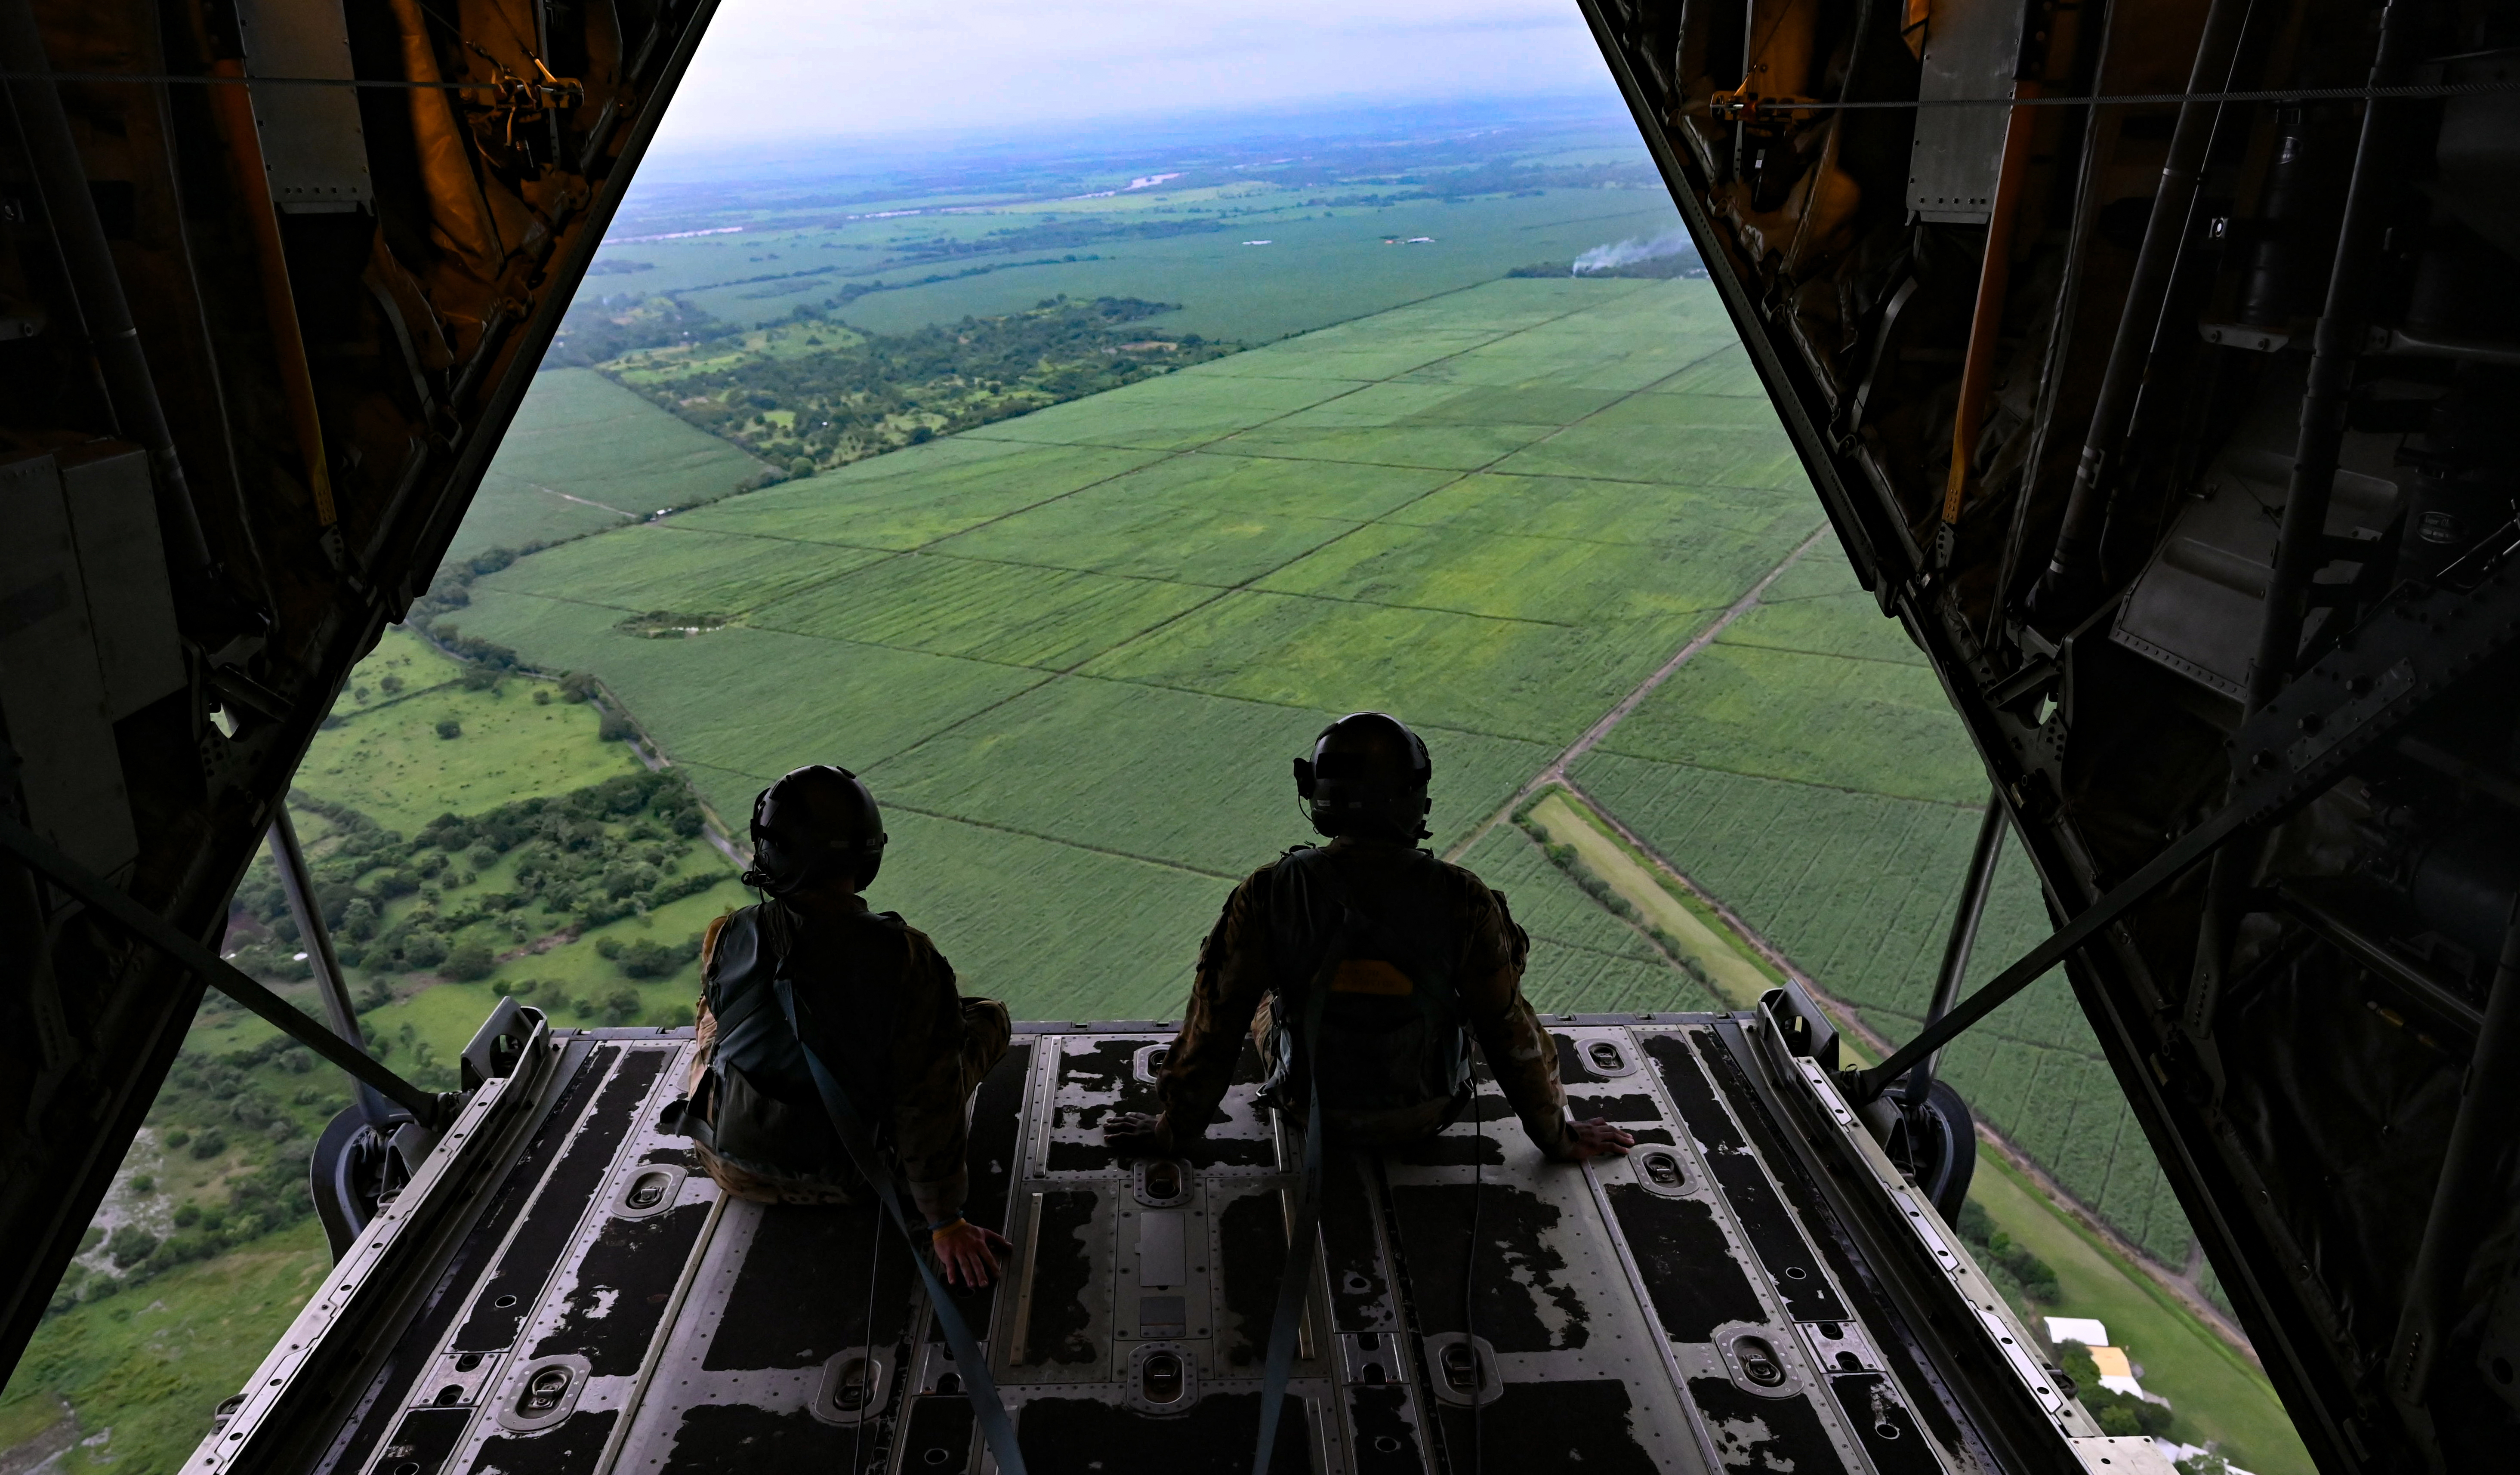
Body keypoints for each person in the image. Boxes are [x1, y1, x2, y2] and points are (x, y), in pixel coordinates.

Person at [1105, 712, 1634, 1163]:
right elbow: (1506, 1032)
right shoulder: (1464, 898)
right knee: (1496, 1001)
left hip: (1309, 1111)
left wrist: (1169, 1131)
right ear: (1413, 796)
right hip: (1424, 1114)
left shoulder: (1270, 892)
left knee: (1261, 1000)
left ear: (1317, 794)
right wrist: (1558, 1137)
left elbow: (1214, 1024)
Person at [675, 764, 1012, 1288]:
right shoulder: (903, 955)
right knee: (985, 1017)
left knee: (714, 1015)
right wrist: (944, 1220)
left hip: (729, 1164)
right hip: (853, 1176)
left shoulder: (731, 932)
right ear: (866, 852)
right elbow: (927, 1099)